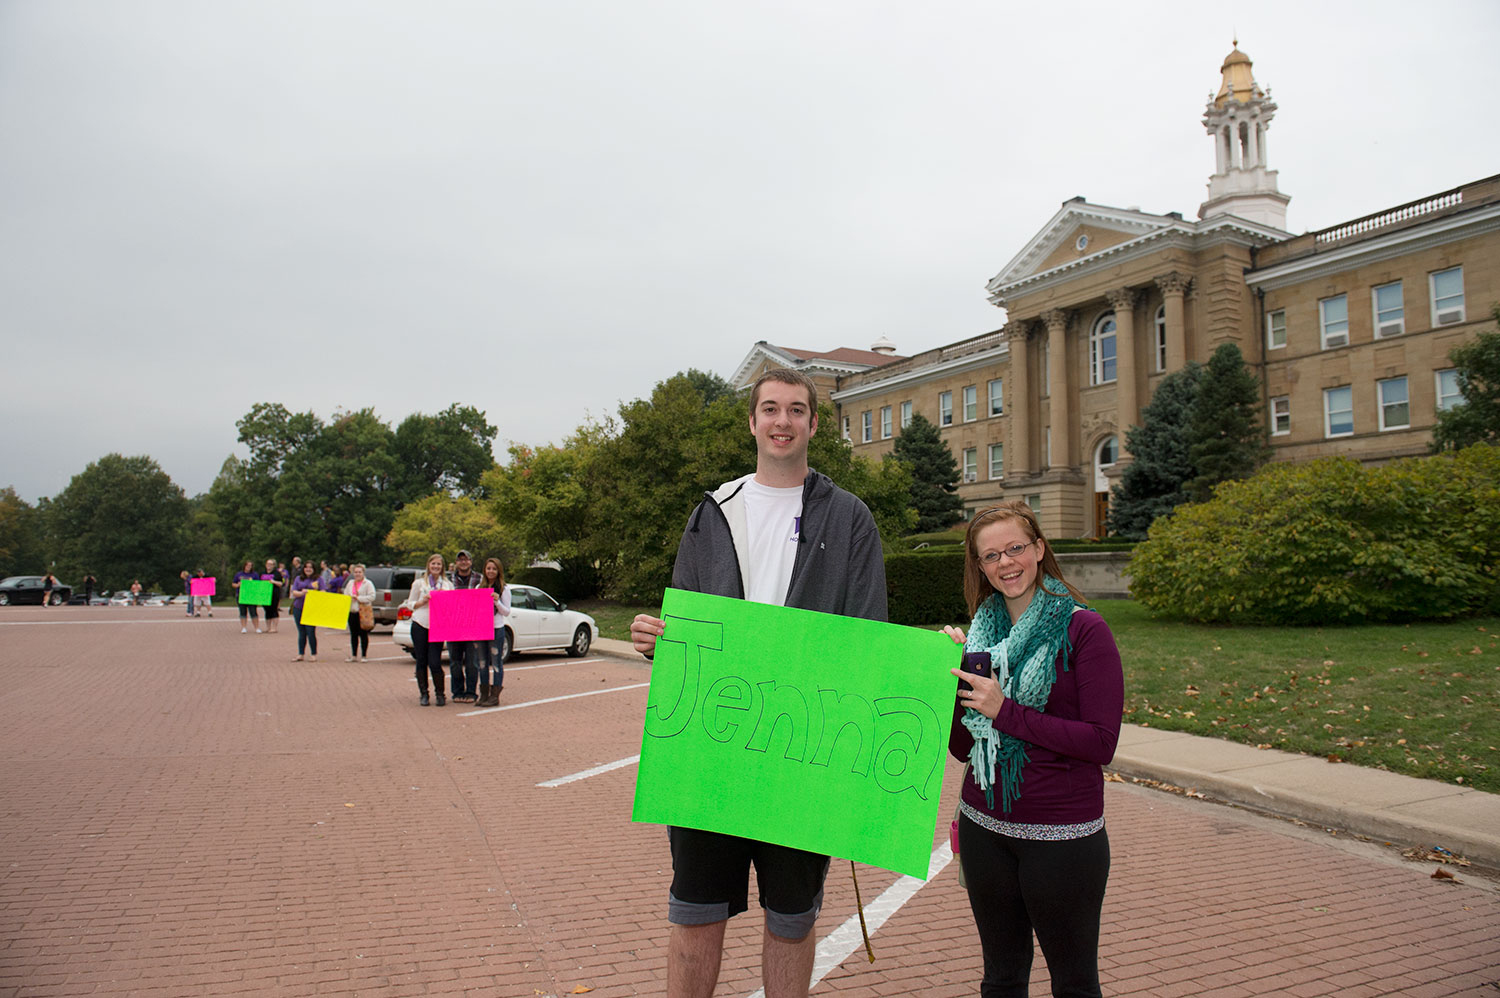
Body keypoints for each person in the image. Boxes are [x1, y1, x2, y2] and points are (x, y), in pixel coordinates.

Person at [629, 368, 887, 998]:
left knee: (791, 921)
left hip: (801, 750)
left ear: (814, 424)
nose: (782, 421)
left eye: (796, 410)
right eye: (770, 408)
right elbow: (686, 628)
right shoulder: (711, 512)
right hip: (712, 749)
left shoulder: (849, 518)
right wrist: (657, 641)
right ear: (752, 421)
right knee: (695, 912)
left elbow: (868, 636)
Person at [940, 501, 1124, 998]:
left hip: (1061, 837)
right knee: (1001, 980)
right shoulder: (981, 637)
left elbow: (1101, 742)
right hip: (984, 831)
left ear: (1039, 549)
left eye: (1015, 548)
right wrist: (950, 677)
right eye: (991, 555)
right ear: (980, 567)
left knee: (1074, 984)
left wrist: (1006, 711)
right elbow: (962, 748)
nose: (1006, 563)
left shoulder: (1084, 630)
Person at [402, 554, 451, 706]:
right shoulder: (419, 584)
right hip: (420, 623)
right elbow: (410, 604)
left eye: (438, 564)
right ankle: (424, 693)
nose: (436, 566)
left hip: (438, 625)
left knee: (435, 661)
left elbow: (452, 605)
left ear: (442, 567)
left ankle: (440, 694)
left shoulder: (447, 584)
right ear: (428, 565)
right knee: (421, 660)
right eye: (433, 564)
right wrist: (422, 601)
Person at [447, 549, 483, 703]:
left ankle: (471, 692)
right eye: (460, 560)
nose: (463, 562)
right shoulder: (448, 580)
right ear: (456, 562)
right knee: (455, 662)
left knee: (472, 662)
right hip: (453, 626)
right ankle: (457, 692)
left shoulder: (479, 579)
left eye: (466, 559)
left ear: (471, 562)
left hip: (472, 626)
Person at [476, 557, 512, 707]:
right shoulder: (479, 587)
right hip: (481, 628)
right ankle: (484, 693)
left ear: (499, 571)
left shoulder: (504, 589)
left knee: (496, 662)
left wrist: (497, 602)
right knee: (482, 662)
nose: (491, 571)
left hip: (496, 628)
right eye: (488, 568)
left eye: (494, 569)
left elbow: (507, 612)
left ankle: (495, 695)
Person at [289, 561, 322, 661]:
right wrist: (302, 593)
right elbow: (294, 592)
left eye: (310, 567)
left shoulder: (318, 579)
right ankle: (301, 654)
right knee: (301, 632)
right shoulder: (298, 578)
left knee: (310, 631)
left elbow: (323, 592)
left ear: (314, 569)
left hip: (312, 609)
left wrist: (313, 591)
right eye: (306, 567)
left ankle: (313, 654)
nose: (308, 569)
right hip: (298, 607)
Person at [344, 563, 375, 662]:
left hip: (362, 612)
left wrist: (359, 598)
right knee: (353, 634)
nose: (357, 574)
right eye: (356, 572)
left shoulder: (368, 583)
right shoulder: (350, 583)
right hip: (352, 611)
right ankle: (354, 655)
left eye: (359, 572)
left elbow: (372, 596)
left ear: (363, 573)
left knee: (363, 634)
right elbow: (345, 594)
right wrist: (349, 598)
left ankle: (364, 655)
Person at [231, 560, 262, 633]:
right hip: (241, 595)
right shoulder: (239, 574)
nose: (249, 567)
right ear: (244, 566)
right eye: (247, 565)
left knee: (253, 612)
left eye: (250, 566)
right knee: (242, 612)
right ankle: (244, 627)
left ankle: (257, 627)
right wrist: (238, 585)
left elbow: (258, 584)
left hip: (251, 596)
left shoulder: (255, 575)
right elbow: (233, 584)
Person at [262, 558, 285, 634]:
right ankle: (268, 628)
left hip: (274, 594)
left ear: (274, 565)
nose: (268, 565)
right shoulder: (263, 573)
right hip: (264, 594)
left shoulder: (277, 573)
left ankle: (274, 628)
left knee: (274, 610)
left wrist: (273, 582)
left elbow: (281, 584)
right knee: (267, 611)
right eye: (267, 564)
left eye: (270, 564)